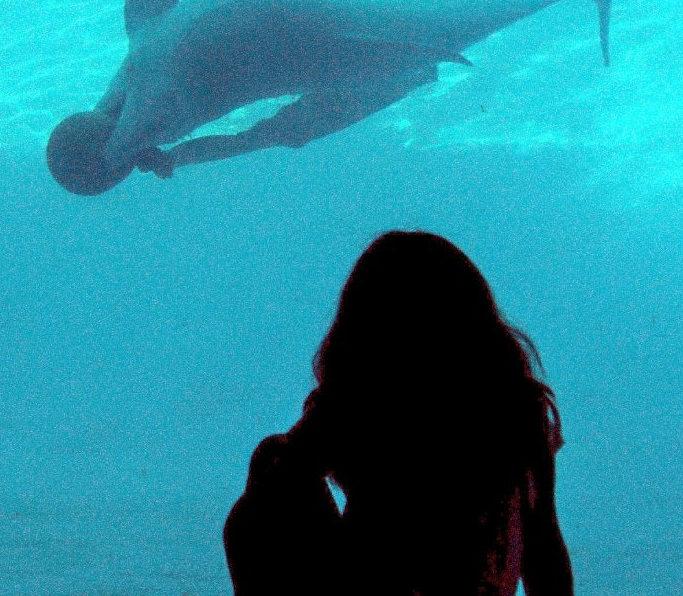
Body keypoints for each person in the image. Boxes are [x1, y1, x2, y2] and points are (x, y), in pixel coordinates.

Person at [224, 231, 572, 596]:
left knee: (270, 462)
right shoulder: (515, 406)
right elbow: (544, 547)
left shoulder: (358, 404)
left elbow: (280, 481)